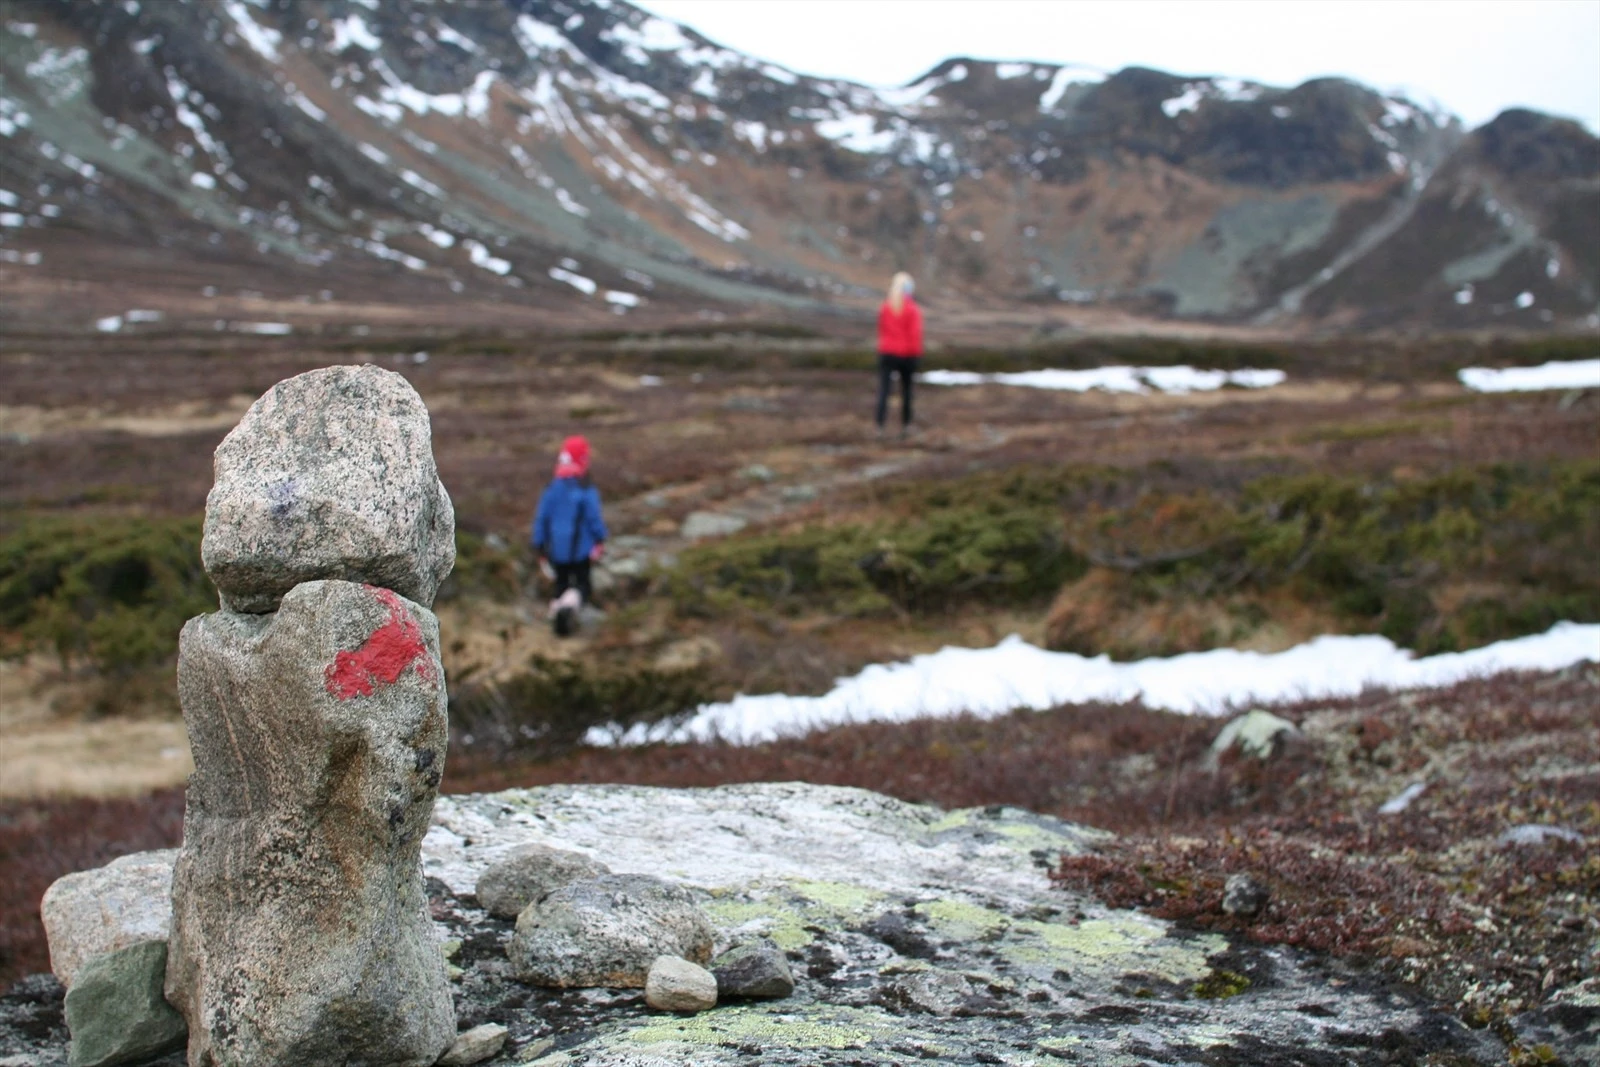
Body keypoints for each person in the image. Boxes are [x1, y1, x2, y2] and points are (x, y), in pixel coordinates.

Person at [530, 434, 607, 637]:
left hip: (556, 551)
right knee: (583, 586)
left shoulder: (551, 488)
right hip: (581, 550)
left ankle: (557, 616)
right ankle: (569, 609)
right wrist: (600, 539)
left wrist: (539, 546)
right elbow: (594, 518)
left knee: (561, 584)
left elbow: (542, 519)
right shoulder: (585, 488)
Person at [875, 271, 924, 436]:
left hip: (887, 353)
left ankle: (879, 426)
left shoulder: (886, 307)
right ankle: (906, 425)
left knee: (884, 390)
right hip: (907, 355)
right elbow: (915, 334)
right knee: (907, 392)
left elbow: (882, 330)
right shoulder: (912, 309)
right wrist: (916, 355)